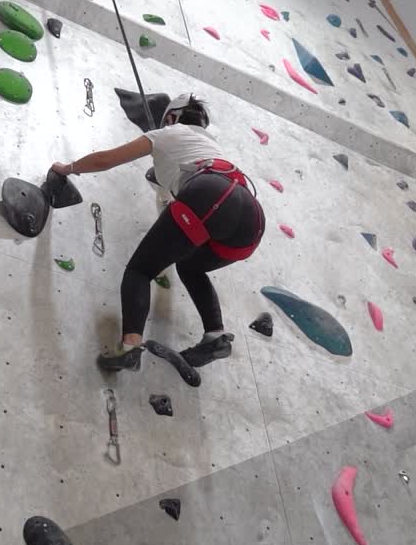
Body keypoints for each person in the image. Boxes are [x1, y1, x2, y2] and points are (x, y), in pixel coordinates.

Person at [50, 94, 265, 372]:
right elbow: (176, 188)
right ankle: (215, 335)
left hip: (212, 194)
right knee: (190, 267)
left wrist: (68, 169)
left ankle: (130, 346)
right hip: (252, 222)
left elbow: (105, 160)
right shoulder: (210, 145)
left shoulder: (169, 132)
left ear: (172, 117)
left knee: (141, 270)